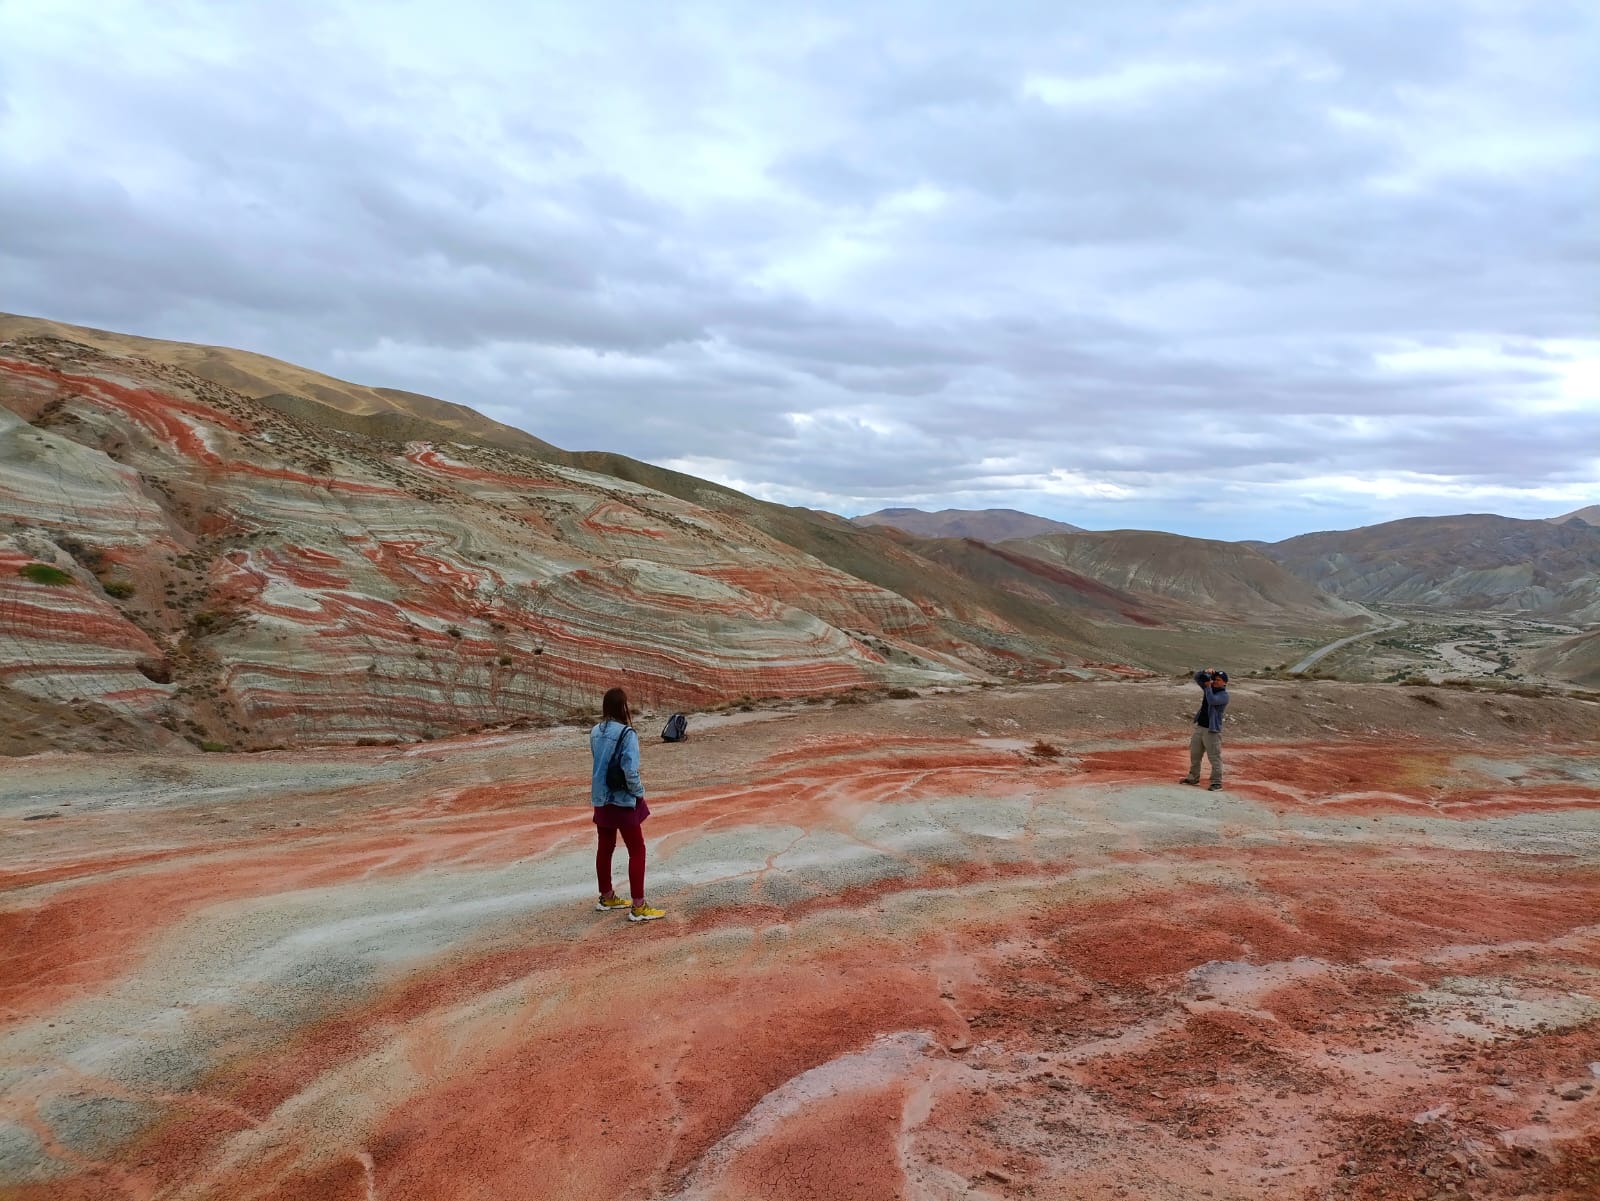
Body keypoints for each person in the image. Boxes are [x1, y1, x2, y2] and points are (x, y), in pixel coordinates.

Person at [590, 686, 665, 921]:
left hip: (601, 798)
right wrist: (639, 793)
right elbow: (630, 771)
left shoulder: (594, 732)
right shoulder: (627, 734)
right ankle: (639, 907)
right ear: (623, 707)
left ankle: (607, 896)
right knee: (637, 849)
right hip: (622, 799)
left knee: (605, 846)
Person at [1180, 669, 1229, 791]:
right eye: (1215, 679)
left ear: (1225, 683)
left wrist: (1208, 687)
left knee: (1214, 757)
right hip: (1200, 727)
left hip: (1211, 731)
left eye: (1218, 680)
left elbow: (1212, 700)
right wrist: (1205, 672)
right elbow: (1197, 677)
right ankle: (1193, 778)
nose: (1215, 682)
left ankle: (1216, 783)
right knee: (1195, 754)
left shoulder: (1224, 696)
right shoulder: (1209, 689)